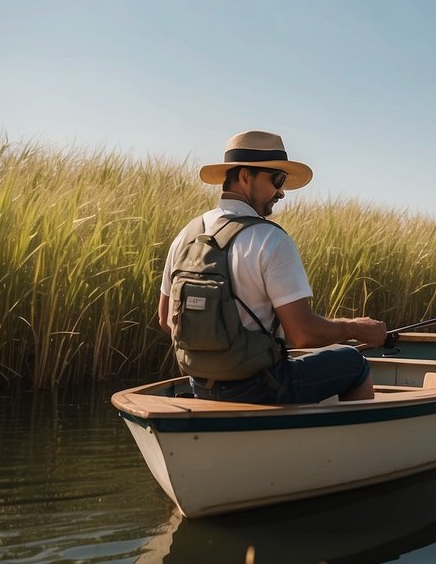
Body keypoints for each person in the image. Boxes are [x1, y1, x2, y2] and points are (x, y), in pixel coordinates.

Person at [157, 130, 387, 403]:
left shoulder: (187, 235)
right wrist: (355, 328)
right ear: (245, 176)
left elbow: (165, 319)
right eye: (277, 180)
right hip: (263, 387)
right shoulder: (271, 239)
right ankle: (351, 444)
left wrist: (218, 358)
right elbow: (302, 334)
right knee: (352, 361)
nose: (281, 193)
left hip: (201, 386)